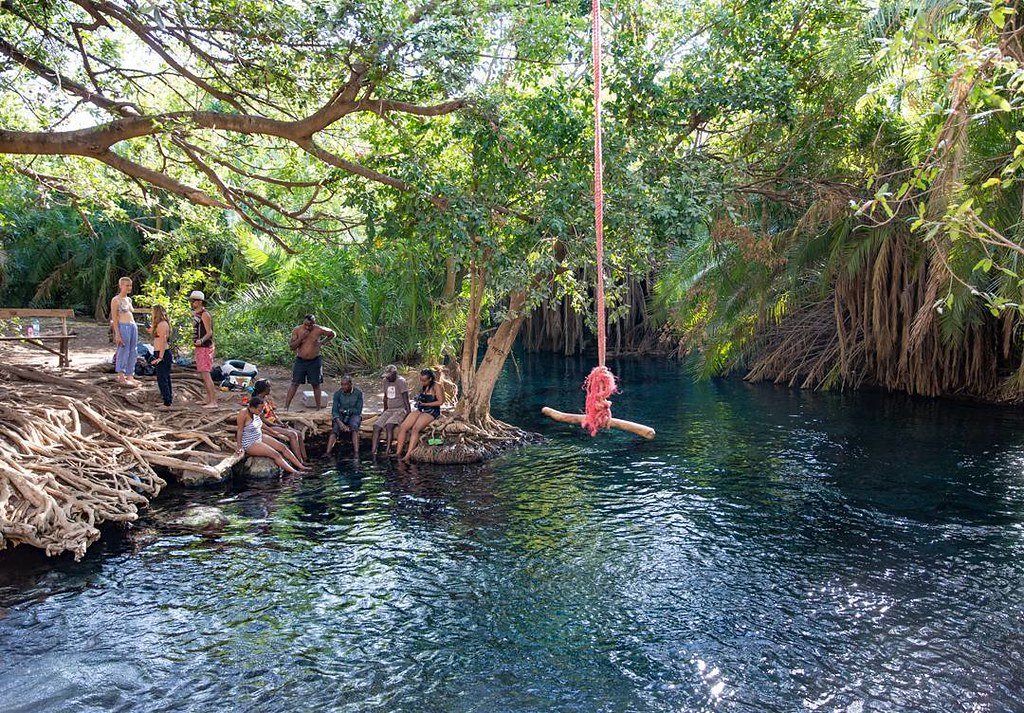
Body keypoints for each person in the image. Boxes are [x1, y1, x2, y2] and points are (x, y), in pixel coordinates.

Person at [234, 396, 305, 474]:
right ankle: (296, 472)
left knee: (283, 447)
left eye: (262, 409)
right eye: (260, 410)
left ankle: (301, 467)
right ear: (252, 408)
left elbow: (261, 424)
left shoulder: (255, 413)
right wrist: (239, 446)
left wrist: (273, 432)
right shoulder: (243, 414)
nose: (261, 412)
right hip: (250, 443)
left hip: (259, 437)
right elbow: (240, 430)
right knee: (276, 454)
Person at [250, 379, 308, 465]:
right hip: (268, 426)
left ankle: (305, 459)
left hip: (274, 423)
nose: (270, 389)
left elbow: (273, 414)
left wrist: (281, 423)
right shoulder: (257, 401)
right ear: (264, 389)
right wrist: (278, 425)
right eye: (269, 387)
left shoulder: (266, 399)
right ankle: (300, 461)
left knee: (299, 434)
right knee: (293, 435)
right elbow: (263, 420)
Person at [284, 314, 335, 410]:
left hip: (314, 360)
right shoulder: (297, 330)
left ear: (314, 323)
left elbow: (332, 334)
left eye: (310, 325)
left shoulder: (319, 329)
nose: (307, 327)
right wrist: (301, 338)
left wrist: (322, 342)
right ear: (303, 323)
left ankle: (318, 408)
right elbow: (292, 347)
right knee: (295, 383)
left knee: (316, 384)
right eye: (305, 325)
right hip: (300, 360)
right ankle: (286, 407)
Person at [395, 368, 444, 463]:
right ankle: (398, 452)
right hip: (421, 409)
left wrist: (426, 404)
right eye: (421, 380)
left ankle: (408, 454)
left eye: (424, 380)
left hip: (432, 411)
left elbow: (440, 402)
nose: (422, 382)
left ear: (430, 379)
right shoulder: (424, 386)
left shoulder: (437, 386)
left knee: (415, 428)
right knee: (403, 427)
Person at [372, 364, 410, 457]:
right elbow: (385, 397)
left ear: (395, 374)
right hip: (389, 410)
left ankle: (387, 450)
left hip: (400, 410)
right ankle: (373, 451)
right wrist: (384, 411)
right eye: (386, 376)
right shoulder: (385, 381)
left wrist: (408, 414)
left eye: (389, 376)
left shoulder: (401, 381)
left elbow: (406, 399)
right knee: (376, 426)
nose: (387, 378)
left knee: (389, 425)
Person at [189, 290, 218, 408]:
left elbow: (209, 332)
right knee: (202, 374)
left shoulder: (205, 314)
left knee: (206, 374)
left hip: (205, 347)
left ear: (200, 301)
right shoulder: (197, 314)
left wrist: (201, 340)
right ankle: (208, 398)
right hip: (199, 347)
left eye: (194, 301)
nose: (192, 303)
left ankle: (213, 401)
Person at [110, 276, 139, 387]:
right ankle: (121, 375)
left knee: (133, 350)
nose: (129, 288)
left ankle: (130, 374)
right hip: (123, 326)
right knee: (123, 349)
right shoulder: (115, 300)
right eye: (127, 285)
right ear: (121, 286)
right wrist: (117, 333)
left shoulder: (129, 300)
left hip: (132, 326)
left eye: (130, 285)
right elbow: (114, 318)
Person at [326, 375, 363, 457]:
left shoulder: (358, 393)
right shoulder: (338, 394)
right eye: (342, 384)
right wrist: (340, 423)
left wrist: (346, 410)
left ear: (350, 384)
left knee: (354, 425)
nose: (343, 387)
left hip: (354, 415)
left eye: (345, 384)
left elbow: (358, 410)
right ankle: (328, 452)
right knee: (335, 427)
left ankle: (356, 453)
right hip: (341, 415)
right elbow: (334, 411)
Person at [150, 304, 173, 408]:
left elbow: (163, 341)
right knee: (164, 377)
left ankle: (167, 402)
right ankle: (167, 399)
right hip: (159, 352)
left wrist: (160, 357)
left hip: (162, 353)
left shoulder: (163, 324)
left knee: (162, 378)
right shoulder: (159, 324)